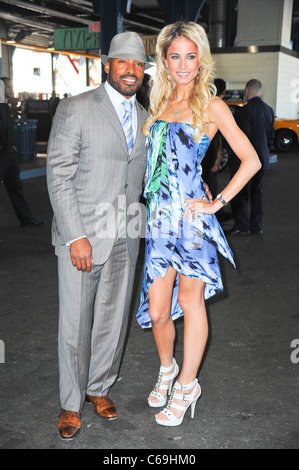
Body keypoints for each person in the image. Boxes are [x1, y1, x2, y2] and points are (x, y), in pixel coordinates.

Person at [136, 22, 261, 427]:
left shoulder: (212, 106)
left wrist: (216, 203)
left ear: (200, 59)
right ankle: (168, 369)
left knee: (190, 304)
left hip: (190, 221)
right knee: (158, 312)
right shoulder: (159, 103)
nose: (184, 64)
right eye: (176, 56)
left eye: (191, 56)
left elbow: (252, 159)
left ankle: (188, 386)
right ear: (165, 61)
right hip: (158, 221)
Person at [47, 31, 150, 440]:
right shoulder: (77, 108)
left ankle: (99, 389)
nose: (131, 70)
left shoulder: (146, 117)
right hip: (83, 237)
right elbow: (59, 176)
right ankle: (71, 403)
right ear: (108, 65)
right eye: (124, 62)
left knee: (112, 319)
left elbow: (145, 179)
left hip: (126, 232)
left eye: (139, 64)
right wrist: (75, 236)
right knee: (74, 322)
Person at [228, 79, 275, 235]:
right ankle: (257, 226)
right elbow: (270, 136)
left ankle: (242, 225)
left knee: (240, 193)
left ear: (247, 89)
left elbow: (242, 138)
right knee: (257, 192)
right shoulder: (269, 110)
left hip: (247, 162)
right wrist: (265, 152)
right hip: (262, 159)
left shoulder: (246, 111)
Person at [0, 77, 44, 227]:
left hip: (9, 155)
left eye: (11, 86)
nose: (11, 89)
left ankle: (26, 219)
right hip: (2, 155)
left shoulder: (6, 107)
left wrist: (12, 147)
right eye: (8, 87)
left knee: (16, 188)